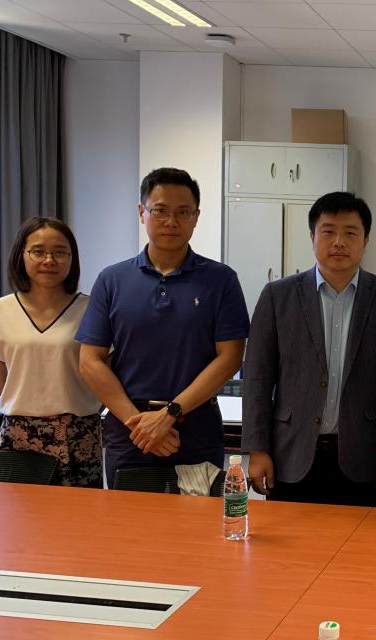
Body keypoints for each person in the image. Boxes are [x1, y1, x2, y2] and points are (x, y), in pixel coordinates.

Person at [77, 168, 249, 487]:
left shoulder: (220, 280)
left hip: (196, 430)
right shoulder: (111, 280)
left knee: (197, 519)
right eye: (160, 210)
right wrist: (140, 425)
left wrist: (169, 414)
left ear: (196, 217)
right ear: (142, 212)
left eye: (183, 212)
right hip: (130, 433)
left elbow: (230, 358)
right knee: (132, 519)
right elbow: (89, 360)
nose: (171, 221)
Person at [243, 192, 376, 506]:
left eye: (350, 233)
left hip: (363, 457)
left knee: (357, 538)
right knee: (288, 537)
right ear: (312, 237)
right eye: (328, 231)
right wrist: (257, 450)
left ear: (366, 240)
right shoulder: (277, 297)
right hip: (290, 454)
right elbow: (257, 380)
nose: (339, 242)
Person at [0, 217, 102, 486]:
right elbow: (0, 382)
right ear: (21, 255)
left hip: (78, 434)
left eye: (60, 252)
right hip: (19, 434)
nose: (49, 260)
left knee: (78, 511)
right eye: (38, 251)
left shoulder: (91, 310)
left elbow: (102, 374)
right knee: (19, 511)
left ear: (72, 258)